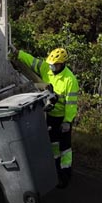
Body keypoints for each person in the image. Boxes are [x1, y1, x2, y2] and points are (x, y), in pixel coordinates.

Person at [17, 47, 79, 188]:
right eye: (50, 64)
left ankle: (65, 175)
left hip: (63, 118)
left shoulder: (70, 80)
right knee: (53, 144)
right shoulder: (47, 69)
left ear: (62, 64)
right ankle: (55, 171)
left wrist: (67, 122)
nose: (51, 67)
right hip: (50, 115)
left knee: (65, 149)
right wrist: (18, 53)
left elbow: (71, 104)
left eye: (54, 65)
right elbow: (32, 62)